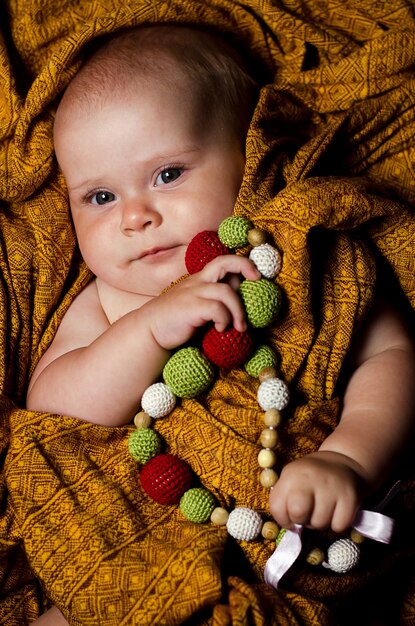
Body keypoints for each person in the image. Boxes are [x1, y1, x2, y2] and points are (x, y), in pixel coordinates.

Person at [26, 23, 415, 625]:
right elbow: (55, 406)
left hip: (316, 533)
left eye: (167, 174)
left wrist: (351, 459)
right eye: (99, 197)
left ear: (247, 151)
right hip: (158, 536)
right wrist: (149, 329)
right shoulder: (110, 300)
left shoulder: (297, 250)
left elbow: (388, 355)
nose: (135, 216)